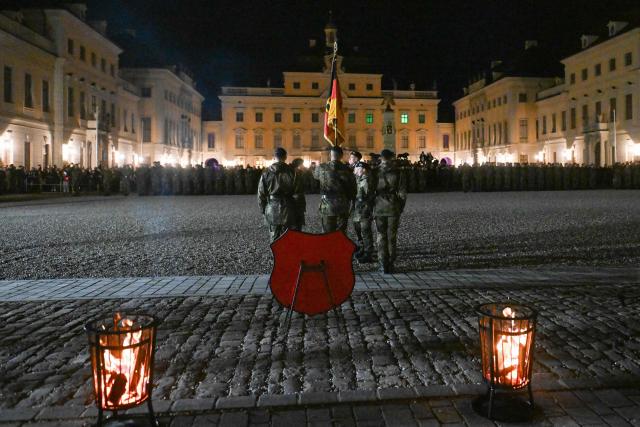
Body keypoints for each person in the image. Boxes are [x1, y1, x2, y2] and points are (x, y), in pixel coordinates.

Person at [374, 149, 407, 274]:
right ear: (391, 158)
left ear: (381, 158)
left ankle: (382, 264)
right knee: (391, 237)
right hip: (393, 206)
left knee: (381, 235)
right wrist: (400, 207)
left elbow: (369, 190)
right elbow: (403, 193)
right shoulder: (398, 172)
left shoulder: (375, 171)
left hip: (378, 206)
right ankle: (391, 263)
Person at [313, 145, 356, 233]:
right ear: (341, 156)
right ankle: (340, 246)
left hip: (326, 204)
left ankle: (328, 246)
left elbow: (315, 180)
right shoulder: (347, 169)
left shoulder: (321, 168)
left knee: (327, 232)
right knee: (341, 233)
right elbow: (352, 188)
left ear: (330, 155)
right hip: (343, 203)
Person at [257, 147, 297, 242]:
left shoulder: (266, 173)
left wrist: (263, 210)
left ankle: (275, 256)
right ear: (285, 157)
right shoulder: (292, 172)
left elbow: (261, 194)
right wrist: (299, 211)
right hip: (288, 207)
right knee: (288, 236)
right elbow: (299, 194)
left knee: (274, 236)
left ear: (274, 157)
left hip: (272, 207)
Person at [352, 161, 374, 263]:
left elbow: (368, 196)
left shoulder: (366, 181)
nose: (355, 171)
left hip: (364, 209)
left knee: (365, 231)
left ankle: (368, 253)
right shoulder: (359, 179)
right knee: (359, 230)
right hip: (358, 208)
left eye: (357, 169)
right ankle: (363, 249)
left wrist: (367, 209)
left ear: (363, 170)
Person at [290, 158, 306, 230]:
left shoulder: (290, 172)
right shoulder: (297, 173)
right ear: (299, 165)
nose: (303, 166)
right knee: (298, 222)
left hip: (293, 199)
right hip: (297, 199)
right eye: (302, 164)